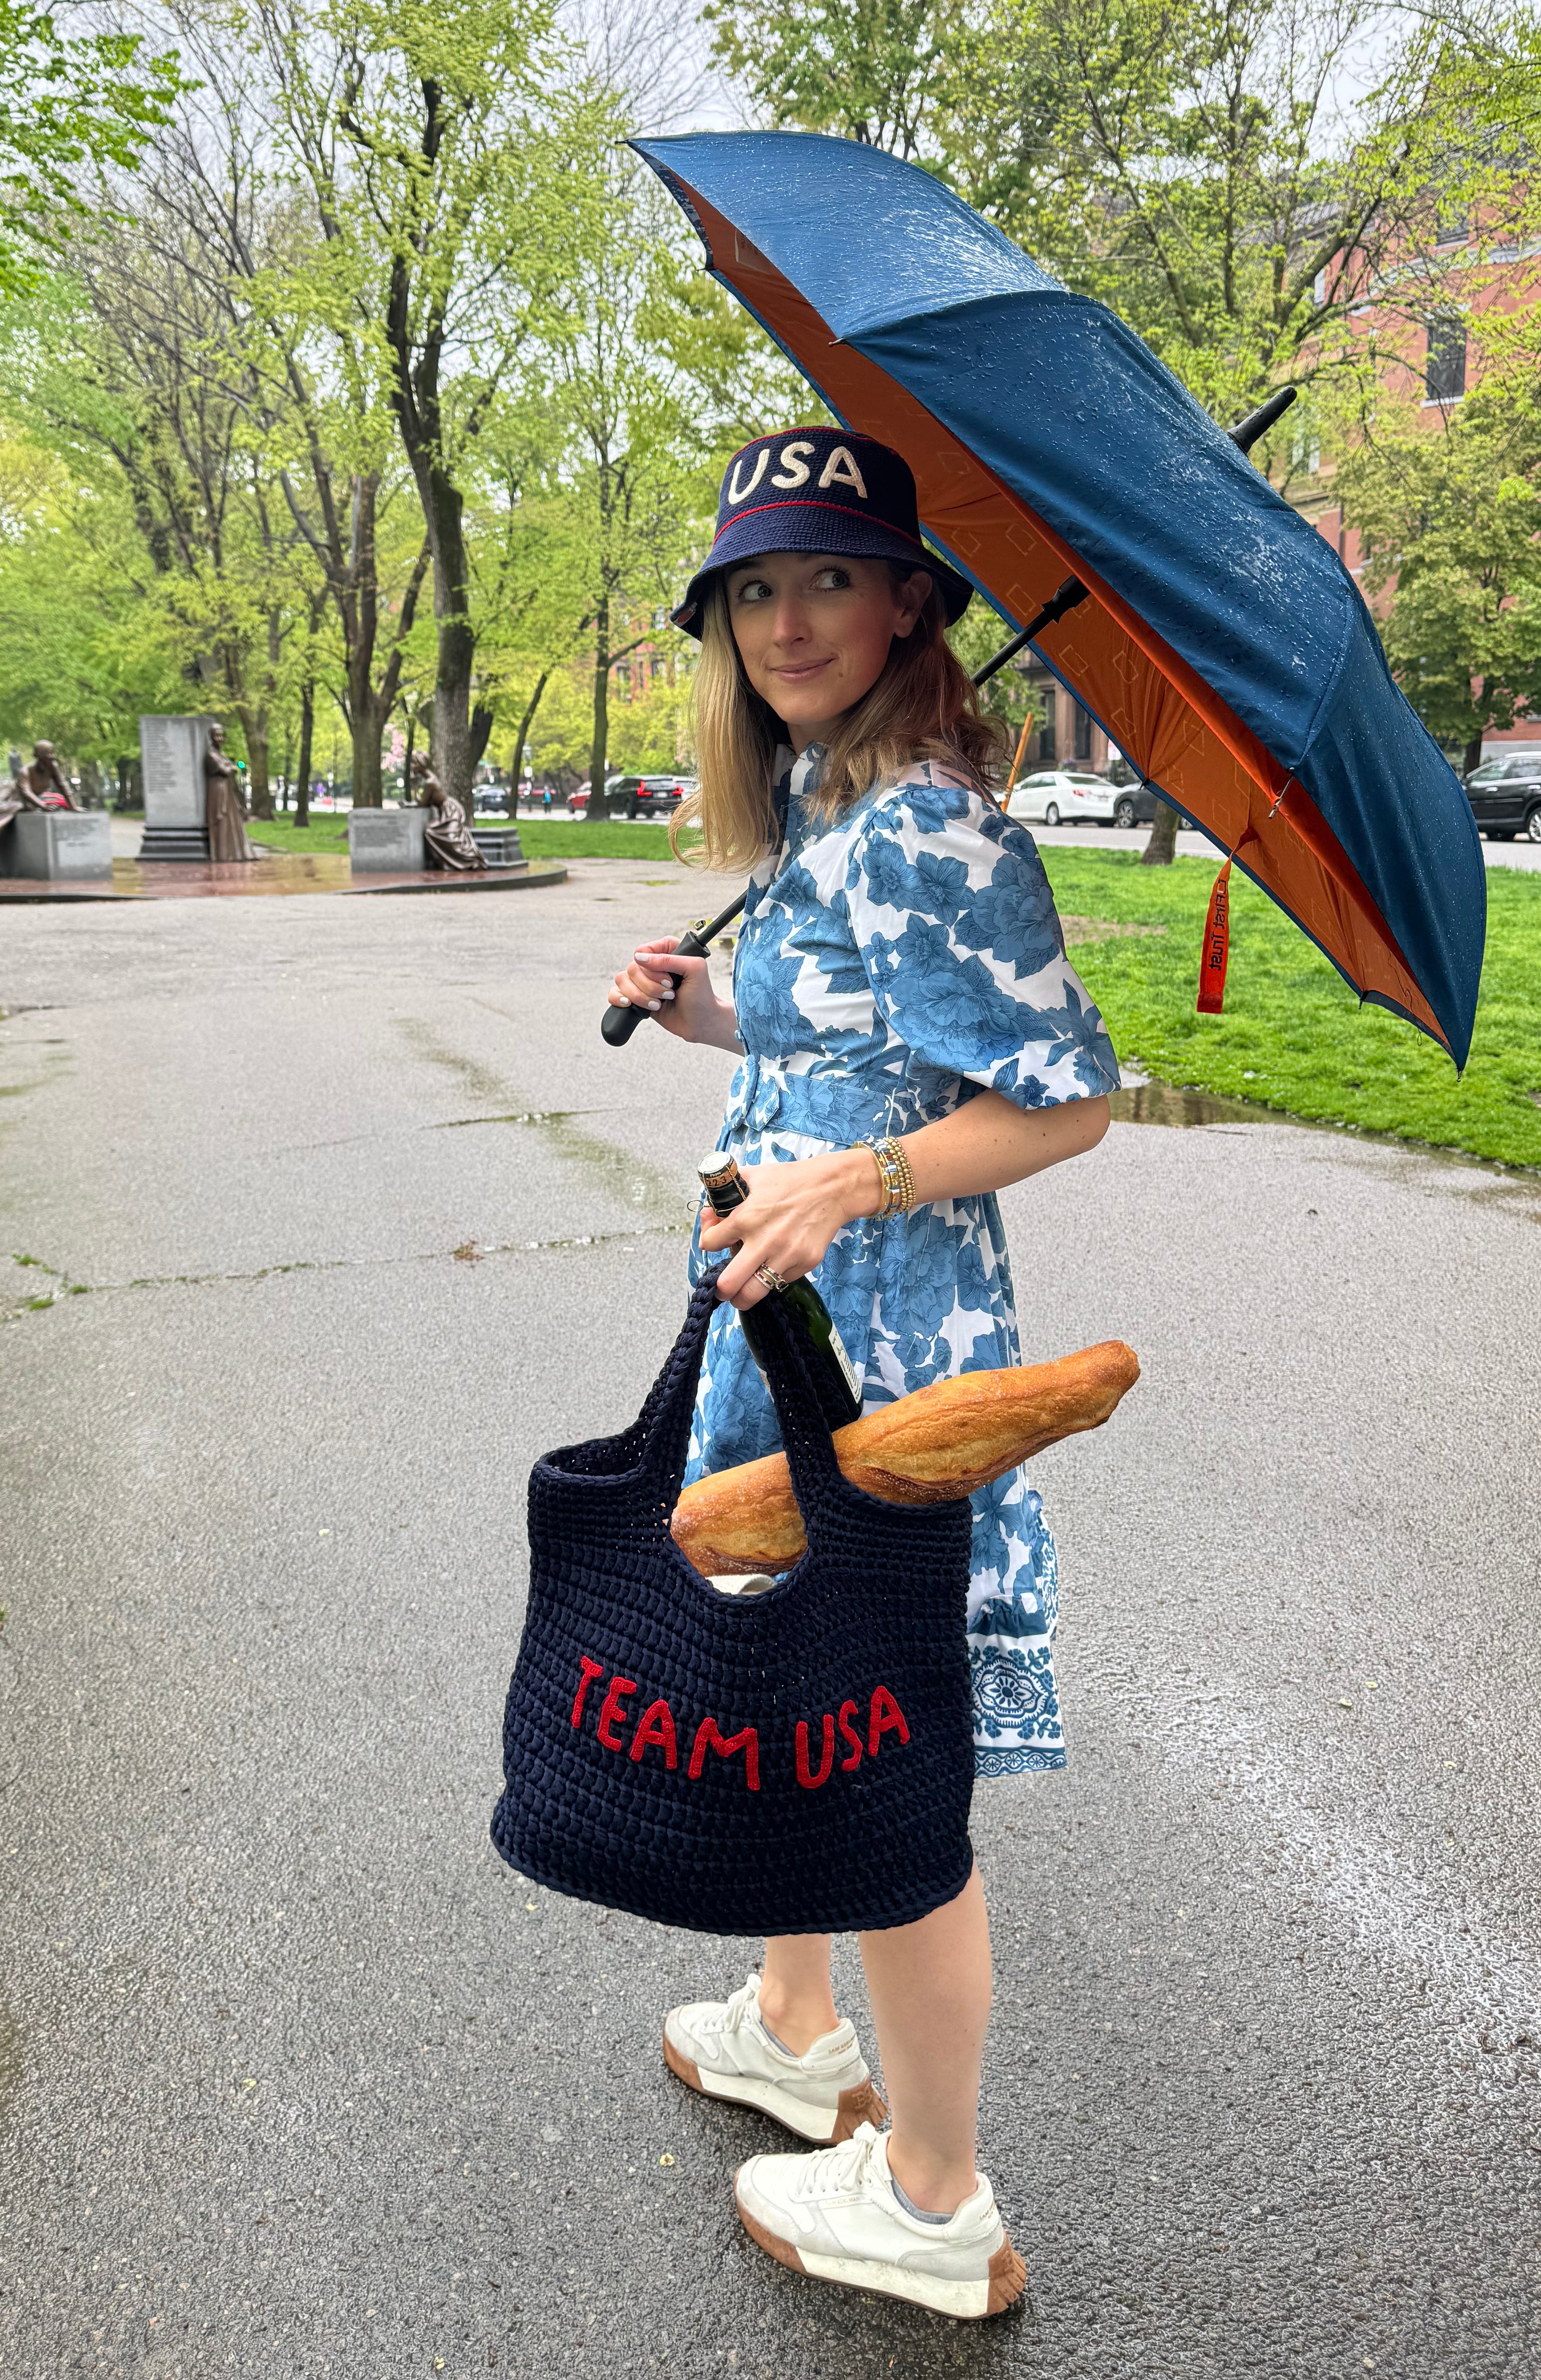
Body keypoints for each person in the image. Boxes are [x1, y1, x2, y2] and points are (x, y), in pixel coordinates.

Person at [605, 424, 1118, 2322]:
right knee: (793, 1699)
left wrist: (856, 1179)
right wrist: (711, 1012)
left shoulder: (944, 832)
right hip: (790, 1334)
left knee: (888, 1764)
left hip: (892, 1373)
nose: (790, 617)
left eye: (830, 575)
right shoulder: (835, 809)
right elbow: (849, 1046)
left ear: (912, 600)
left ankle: (934, 2192)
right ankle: (797, 2022)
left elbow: (1061, 1107)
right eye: (756, 587)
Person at [203, 721, 260, 863]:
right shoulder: (211, 755)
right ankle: (223, 854)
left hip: (227, 790)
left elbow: (231, 768)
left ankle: (234, 852)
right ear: (211, 737)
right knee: (222, 819)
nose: (220, 739)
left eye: (222, 736)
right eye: (217, 736)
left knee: (232, 820)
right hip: (218, 791)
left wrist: (231, 767)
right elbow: (226, 770)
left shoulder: (220, 754)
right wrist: (230, 767)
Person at [417, 767, 487, 873]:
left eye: (414, 763)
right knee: (433, 832)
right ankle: (452, 862)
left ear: (421, 764)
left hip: (451, 810)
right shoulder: (431, 778)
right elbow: (425, 802)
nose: (411, 766)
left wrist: (414, 787)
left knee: (445, 836)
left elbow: (422, 803)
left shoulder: (429, 783)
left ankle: (472, 860)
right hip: (447, 810)